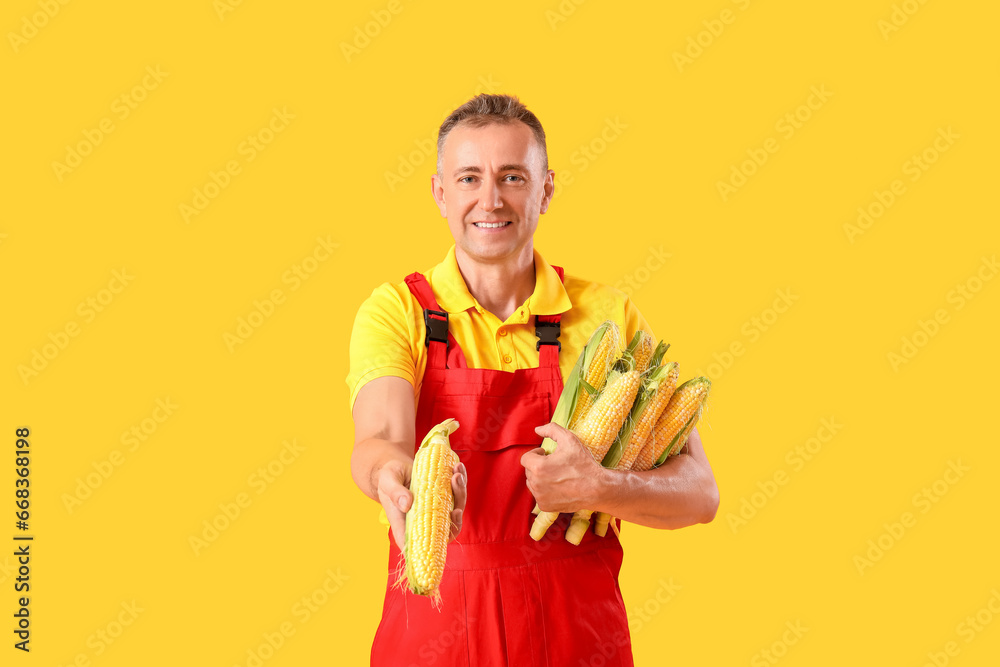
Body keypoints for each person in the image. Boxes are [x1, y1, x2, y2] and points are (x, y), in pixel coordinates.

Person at [347, 93, 719, 666]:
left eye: (512, 176)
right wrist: (395, 479)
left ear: (545, 189)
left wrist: (600, 487)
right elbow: (379, 437)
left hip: (575, 642)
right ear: (440, 192)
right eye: (469, 177)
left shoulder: (607, 318)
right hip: (435, 639)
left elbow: (699, 493)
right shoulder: (398, 311)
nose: (489, 199)